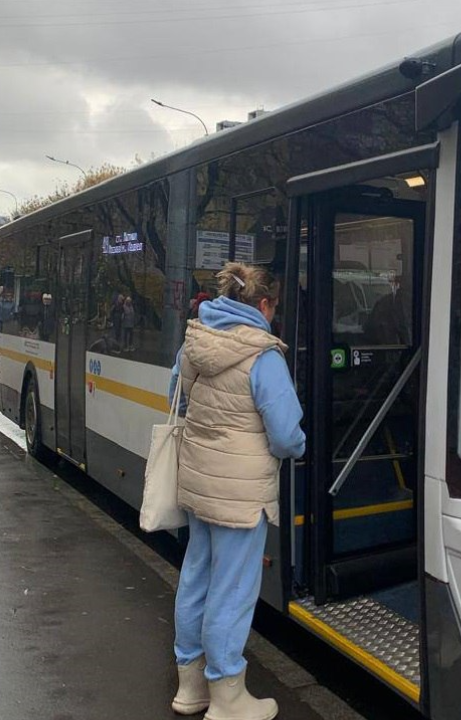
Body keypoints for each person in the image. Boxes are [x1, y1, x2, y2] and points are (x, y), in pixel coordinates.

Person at [168, 261, 305, 720]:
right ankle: (227, 696)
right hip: (241, 494)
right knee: (233, 588)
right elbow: (286, 435)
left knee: (197, 577)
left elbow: (180, 397)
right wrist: (298, 445)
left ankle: (190, 686)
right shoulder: (264, 356)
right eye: (274, 308)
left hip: (199, 480)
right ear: (264, 305)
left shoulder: (195, 343)